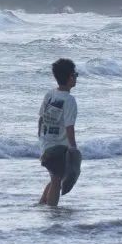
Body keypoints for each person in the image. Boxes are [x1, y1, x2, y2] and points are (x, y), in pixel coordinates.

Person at [38, 58, 78, 206]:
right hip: (59, 148)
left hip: (45, 144)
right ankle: (52, 212)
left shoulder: (50, 94)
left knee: (55, 177)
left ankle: (41, 204)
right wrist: (73, 148)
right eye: (75, 75)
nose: (76, 78)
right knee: (56, 180)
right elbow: (69, 127)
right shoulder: (69, 100)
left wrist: (41, 138)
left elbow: (41, 118)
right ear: (70, 78)